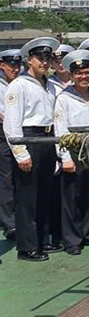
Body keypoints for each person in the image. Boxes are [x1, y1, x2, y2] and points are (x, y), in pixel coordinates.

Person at [4, 36, 60, 261]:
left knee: (44, 194)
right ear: (30, 60)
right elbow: (11, 123)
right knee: (27, 197)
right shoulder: (19, 85)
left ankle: (41, 240)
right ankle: (26, 247)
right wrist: (20, 153)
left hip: (47, 139)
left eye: (47, 58)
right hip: (29, 139)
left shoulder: (50, 85)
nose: (44, 62)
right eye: (40, 58)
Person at [53, 50, 89, 256]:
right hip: (73, 150)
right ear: (71, 76)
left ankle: (86, 232)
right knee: (71, 197)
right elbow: (60, 128)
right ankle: (71, 240)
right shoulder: (64, 98)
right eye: (79, 73)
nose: (83, 76)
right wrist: (65, 157)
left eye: (87, 72)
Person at [0, 49, 22, 241]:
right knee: (7, 178)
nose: (15, 69)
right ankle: (9, 223)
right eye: (11, 66)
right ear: (2, 66)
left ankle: (21, 219)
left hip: (21, 132)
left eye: (17, 66)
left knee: (22, 177)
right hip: (3, 134)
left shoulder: (22, 83)